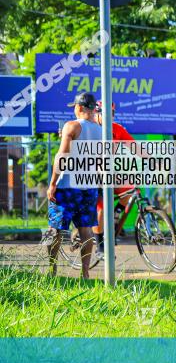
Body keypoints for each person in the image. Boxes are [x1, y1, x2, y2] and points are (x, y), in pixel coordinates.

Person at [46, 92, 103, 278]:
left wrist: (53, 183)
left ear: (79, 108)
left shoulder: (72, 125)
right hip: (89, 186)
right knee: (86, 231)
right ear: (93, 109)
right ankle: (85, 273)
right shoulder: (102, 131)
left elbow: (62, 157)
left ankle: (52, 270)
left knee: (55, 229)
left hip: (68, 186)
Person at [92, 101, 137, 255]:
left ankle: (114, 220)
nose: (109, 117)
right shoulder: (90, 128)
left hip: (109, 172)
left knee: (129, 194)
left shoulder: (116, 129)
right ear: (97, 113)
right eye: (105, 113)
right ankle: (100, 245)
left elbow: (135, 147)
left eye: (111, 114)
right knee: (103, 206)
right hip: (90, 173)